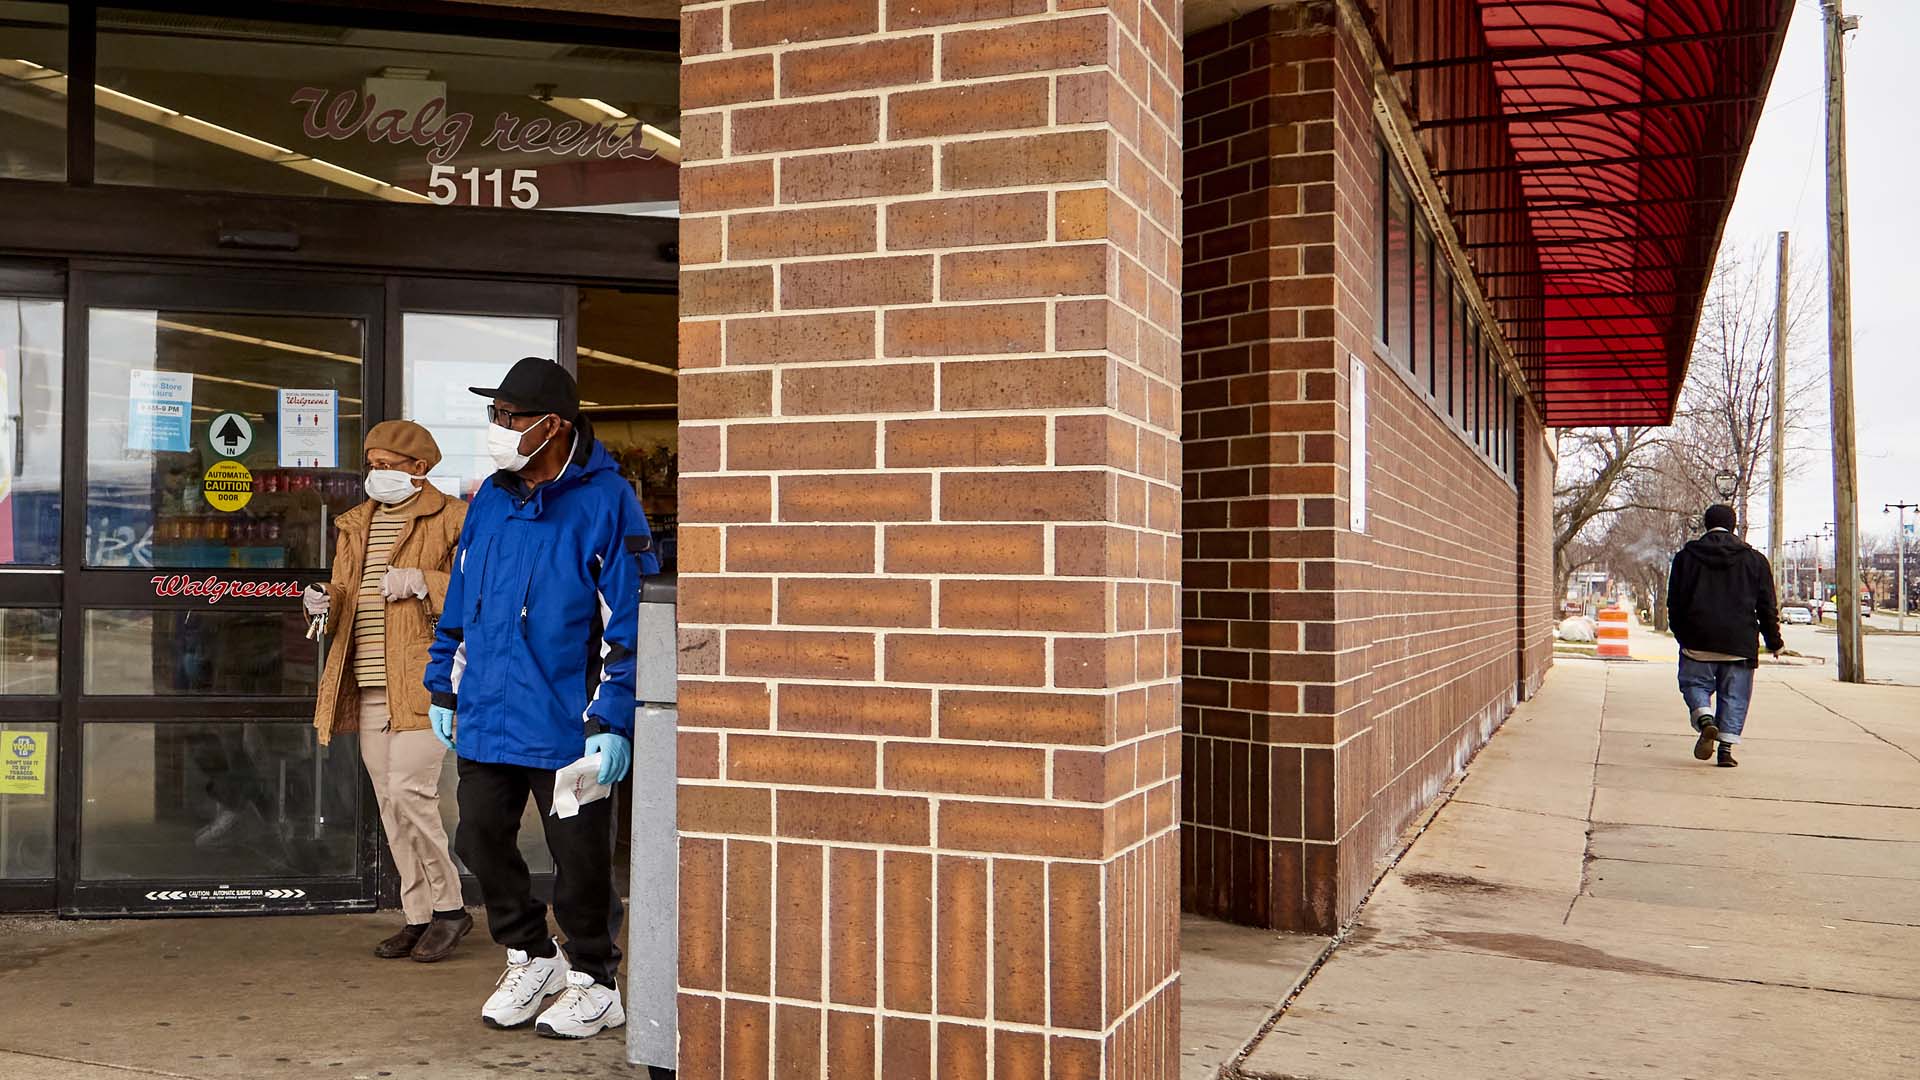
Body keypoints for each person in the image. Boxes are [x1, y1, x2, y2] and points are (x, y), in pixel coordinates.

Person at [424, 356, 657, 1040]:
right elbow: (462, 596)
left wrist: (612, 718)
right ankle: (532, 955)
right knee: (479, 836)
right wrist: (444, 681)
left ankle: (595, 979)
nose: (498, 429)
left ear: (554, 425)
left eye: (512, 418)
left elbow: (630, 620)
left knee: (580, 863)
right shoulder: (491, 497)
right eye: (494, 416)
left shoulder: (607, 502)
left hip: (569, 725)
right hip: (490, 714)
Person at [304, 421, 471, 960]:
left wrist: (426, 581)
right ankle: (418, 915)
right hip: (368, 681)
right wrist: (326, 599)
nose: (377, 474)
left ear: (419, 468)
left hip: (424, 680)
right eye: (371, 464)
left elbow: (482, 593)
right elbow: (348, 588)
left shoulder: (454, 518)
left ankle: (451, 909)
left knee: (410, 794)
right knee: (390, 805)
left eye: (388, 465)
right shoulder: (356, 523)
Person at [1666, 504, 1784, 768]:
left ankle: (1705, 719)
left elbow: (1674, 602)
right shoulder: (1755, 560)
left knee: (1695, 684)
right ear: (1734, 526)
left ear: (1706, 524)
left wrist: (1681, 634)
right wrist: (1773, 641)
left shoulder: (1686, 558)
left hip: (1698, 639)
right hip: (1739, 642)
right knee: (1735, 696)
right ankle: (1725, 750)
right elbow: (1767, 606)